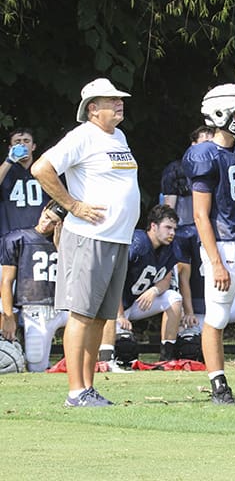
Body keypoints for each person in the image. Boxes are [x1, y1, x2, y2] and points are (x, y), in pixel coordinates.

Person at [31, 77, 140, 407]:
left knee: (98, 317)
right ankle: (75, 391)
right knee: (80, 314)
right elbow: (41, 168)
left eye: (119, 99)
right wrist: (74, 205)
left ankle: (87, 387)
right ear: (93, 109)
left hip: (116, 239)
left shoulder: (118, 136)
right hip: (89, 238)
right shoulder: (82, 136)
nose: (119, 103)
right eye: (111, 100)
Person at [182, 83, 235, 404]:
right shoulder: (204, 155)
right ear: (220, 114)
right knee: (215, 317)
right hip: (224, 244)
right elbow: (201, 215)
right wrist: (215, 261)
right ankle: (218, 383)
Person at [107, 204, 191, 362]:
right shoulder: (138, 242)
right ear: (153, 226)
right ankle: (107, 359)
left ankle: (167, 356)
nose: (172, 233)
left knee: (173, 298)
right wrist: (119, 315)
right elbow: (114, 278)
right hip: (114, 305)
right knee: (124, 349)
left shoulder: (169, 248)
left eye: (174, 228)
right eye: (168, 227)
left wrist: (154, 291)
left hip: (137, 302)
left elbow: (166, 280)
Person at [0, 200, 67, 372]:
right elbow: (7, 281)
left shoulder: (69, 242)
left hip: (66, 307)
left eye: (54, 222)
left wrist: (61, 247)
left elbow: (76, 277)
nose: (46, 224)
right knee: (36, 364)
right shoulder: (17, 238)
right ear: (43, 210)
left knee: (96, 324)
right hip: (36, 309)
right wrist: (8, 316)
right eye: (46, 217)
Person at [0, 127, 51, 236]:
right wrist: (9, 161)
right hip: (10, 237)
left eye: (26, 141)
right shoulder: (5, 170)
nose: (22, 144)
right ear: (10, 148)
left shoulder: (43, 170)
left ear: (33, 147)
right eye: (17, 142)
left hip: (40, 236)